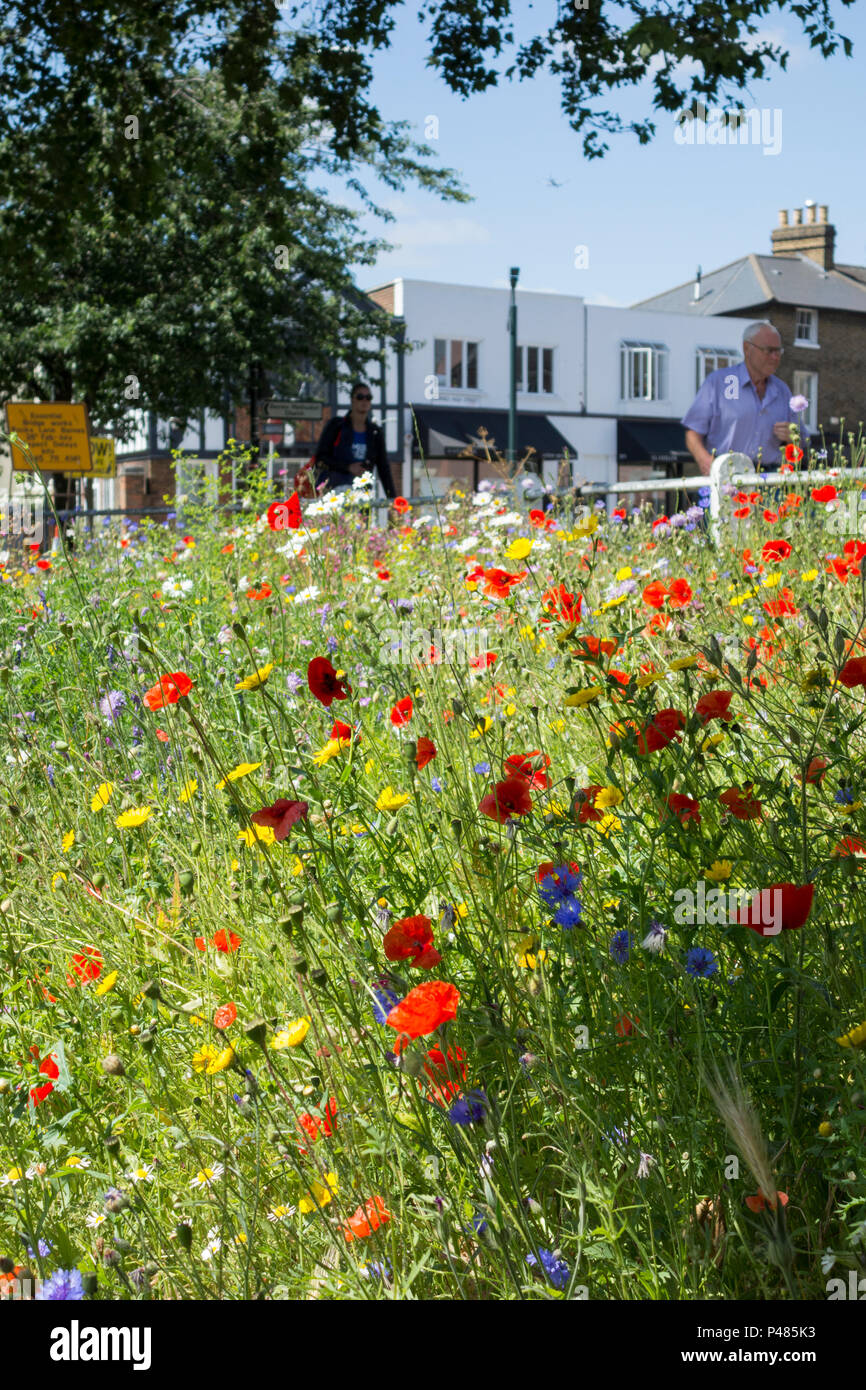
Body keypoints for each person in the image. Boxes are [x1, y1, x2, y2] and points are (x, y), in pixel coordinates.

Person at [682, 322, 807, 475]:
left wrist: (793, 438)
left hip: (772, 480)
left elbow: (801, 444)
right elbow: (693, 432)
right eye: (769, 350)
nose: (775, 357)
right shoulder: (718, 382)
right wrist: (705, 460)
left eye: (778, 351)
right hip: (729, 476)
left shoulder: (783, 390)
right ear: (747, 348)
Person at [309, 382, 397, 499]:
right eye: (360, 397)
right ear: (352, 400)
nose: (364, 401)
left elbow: (383, 469)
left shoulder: (375, 433)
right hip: (335, 492)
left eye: (368, 398)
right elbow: (321, 458)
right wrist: (348, 467)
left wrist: (394, 499)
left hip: (362, 494)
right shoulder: (336, 426)